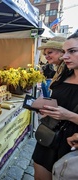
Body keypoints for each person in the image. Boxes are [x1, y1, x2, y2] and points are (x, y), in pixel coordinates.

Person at [32, 32, 78, 179]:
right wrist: (47, 108)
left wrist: (68, 115)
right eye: (64, 52)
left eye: (71, 51)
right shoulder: (63, 74)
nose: (65, 57)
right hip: (49, 135)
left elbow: (66, 111)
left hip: (71, 143)